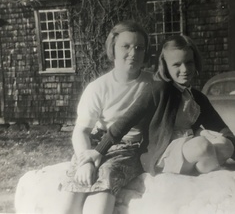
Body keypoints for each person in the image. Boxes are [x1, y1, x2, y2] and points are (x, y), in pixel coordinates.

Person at [77, 34, 235, 178]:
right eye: (176, 65)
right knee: (203, 146)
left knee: (226, 145)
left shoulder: (197, 97)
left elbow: (222, 128)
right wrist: (99, 150)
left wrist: (226, 140)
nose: (184, 70)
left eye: (189, 63)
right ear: (166, 67)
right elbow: (126, 120)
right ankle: (212, 179)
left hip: (188, 148)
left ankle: (204, 168)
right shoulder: (158, 89)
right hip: (161, 153)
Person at [60, 20, 153, 214]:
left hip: (129, 148)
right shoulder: (98, 87)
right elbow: (81, 131)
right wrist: (84, 162)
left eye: (139, 47)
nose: (133, 53)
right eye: (125, 46)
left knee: (105, 180)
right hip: (96, 143)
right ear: (113, 49)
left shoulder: (152, 84)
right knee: (75, 188)